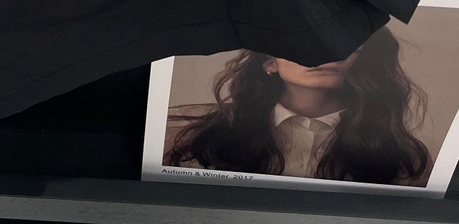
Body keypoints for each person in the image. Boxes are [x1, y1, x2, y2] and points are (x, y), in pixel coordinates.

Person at [164, 27, 430, 185]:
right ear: (269, 62)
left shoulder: (405, 157)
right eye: (303, 39)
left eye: (342, 41)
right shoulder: (198, 136)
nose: (326, 52)